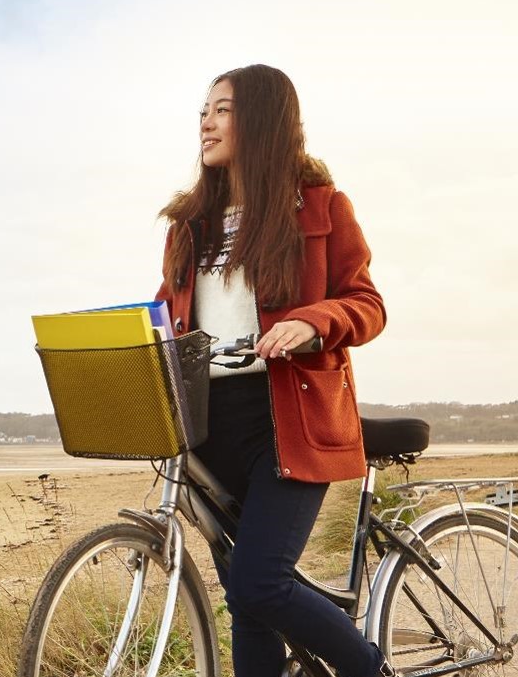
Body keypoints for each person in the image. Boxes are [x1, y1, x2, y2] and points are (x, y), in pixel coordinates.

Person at [150, 64, 390, 677]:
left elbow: (367, 304)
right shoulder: (189, 227)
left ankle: (370, 669)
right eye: (203, 109)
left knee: (258, 584)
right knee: (247, 603)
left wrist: (313, 322)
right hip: (210, 428)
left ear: (261, 119)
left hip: (290, 421)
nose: (205, 121)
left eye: (222, 109)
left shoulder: (320, 208)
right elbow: (162, 317)